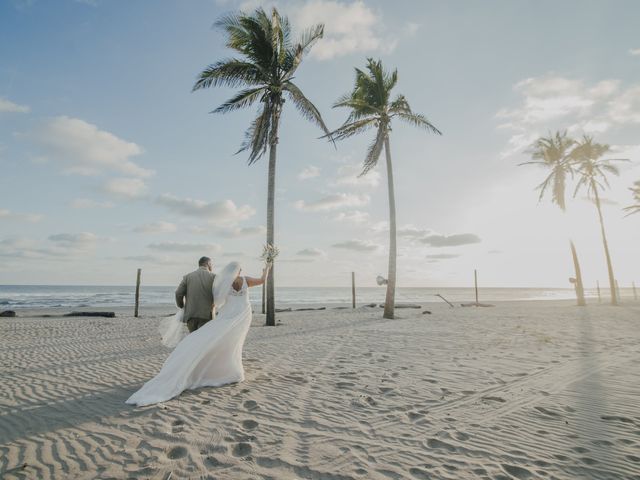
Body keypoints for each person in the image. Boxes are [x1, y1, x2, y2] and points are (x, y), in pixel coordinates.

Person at [126, 261, 269, 407]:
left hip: (214, 316)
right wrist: (267, 269)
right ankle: (224, 370)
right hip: (238, 315)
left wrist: (189, 308)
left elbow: (212, 300)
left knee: (207, 342)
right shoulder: (235, 279)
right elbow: (262, 281)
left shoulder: (217, 282)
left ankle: (208, 368)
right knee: (231, 342)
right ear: (239, 271)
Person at [175, 256, 215, 333]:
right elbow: (218, 294)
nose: (212, 266)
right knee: (204, 339)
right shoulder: (214, 277)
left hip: (191, 314)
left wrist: (182, 306)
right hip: (206, 315)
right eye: (211, 264)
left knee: (193, 339)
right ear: (208, 263)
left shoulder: (187, 277)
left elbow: (178, 293)